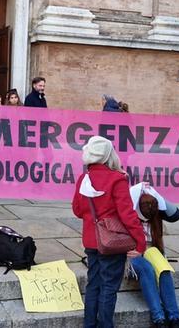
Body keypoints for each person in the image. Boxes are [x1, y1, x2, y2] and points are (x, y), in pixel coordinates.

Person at [72, 136, 146, 328]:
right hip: (112, 242)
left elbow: (78, 210)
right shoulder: (117, 179)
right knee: (109, 288)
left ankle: (89, 325)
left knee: (93, 285)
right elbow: (128, 215)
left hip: (91, 240)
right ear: (107, 155)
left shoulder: (83, 178)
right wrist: (140, 242)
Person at [128, 182, 179, 328]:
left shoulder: (155, 212)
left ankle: (174, 317)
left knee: (164, 270)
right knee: (147, 269)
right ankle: (158, 318)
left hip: (151, 250)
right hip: (131, 254)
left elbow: (176, 214)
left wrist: (156, 195)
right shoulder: (127, 210)